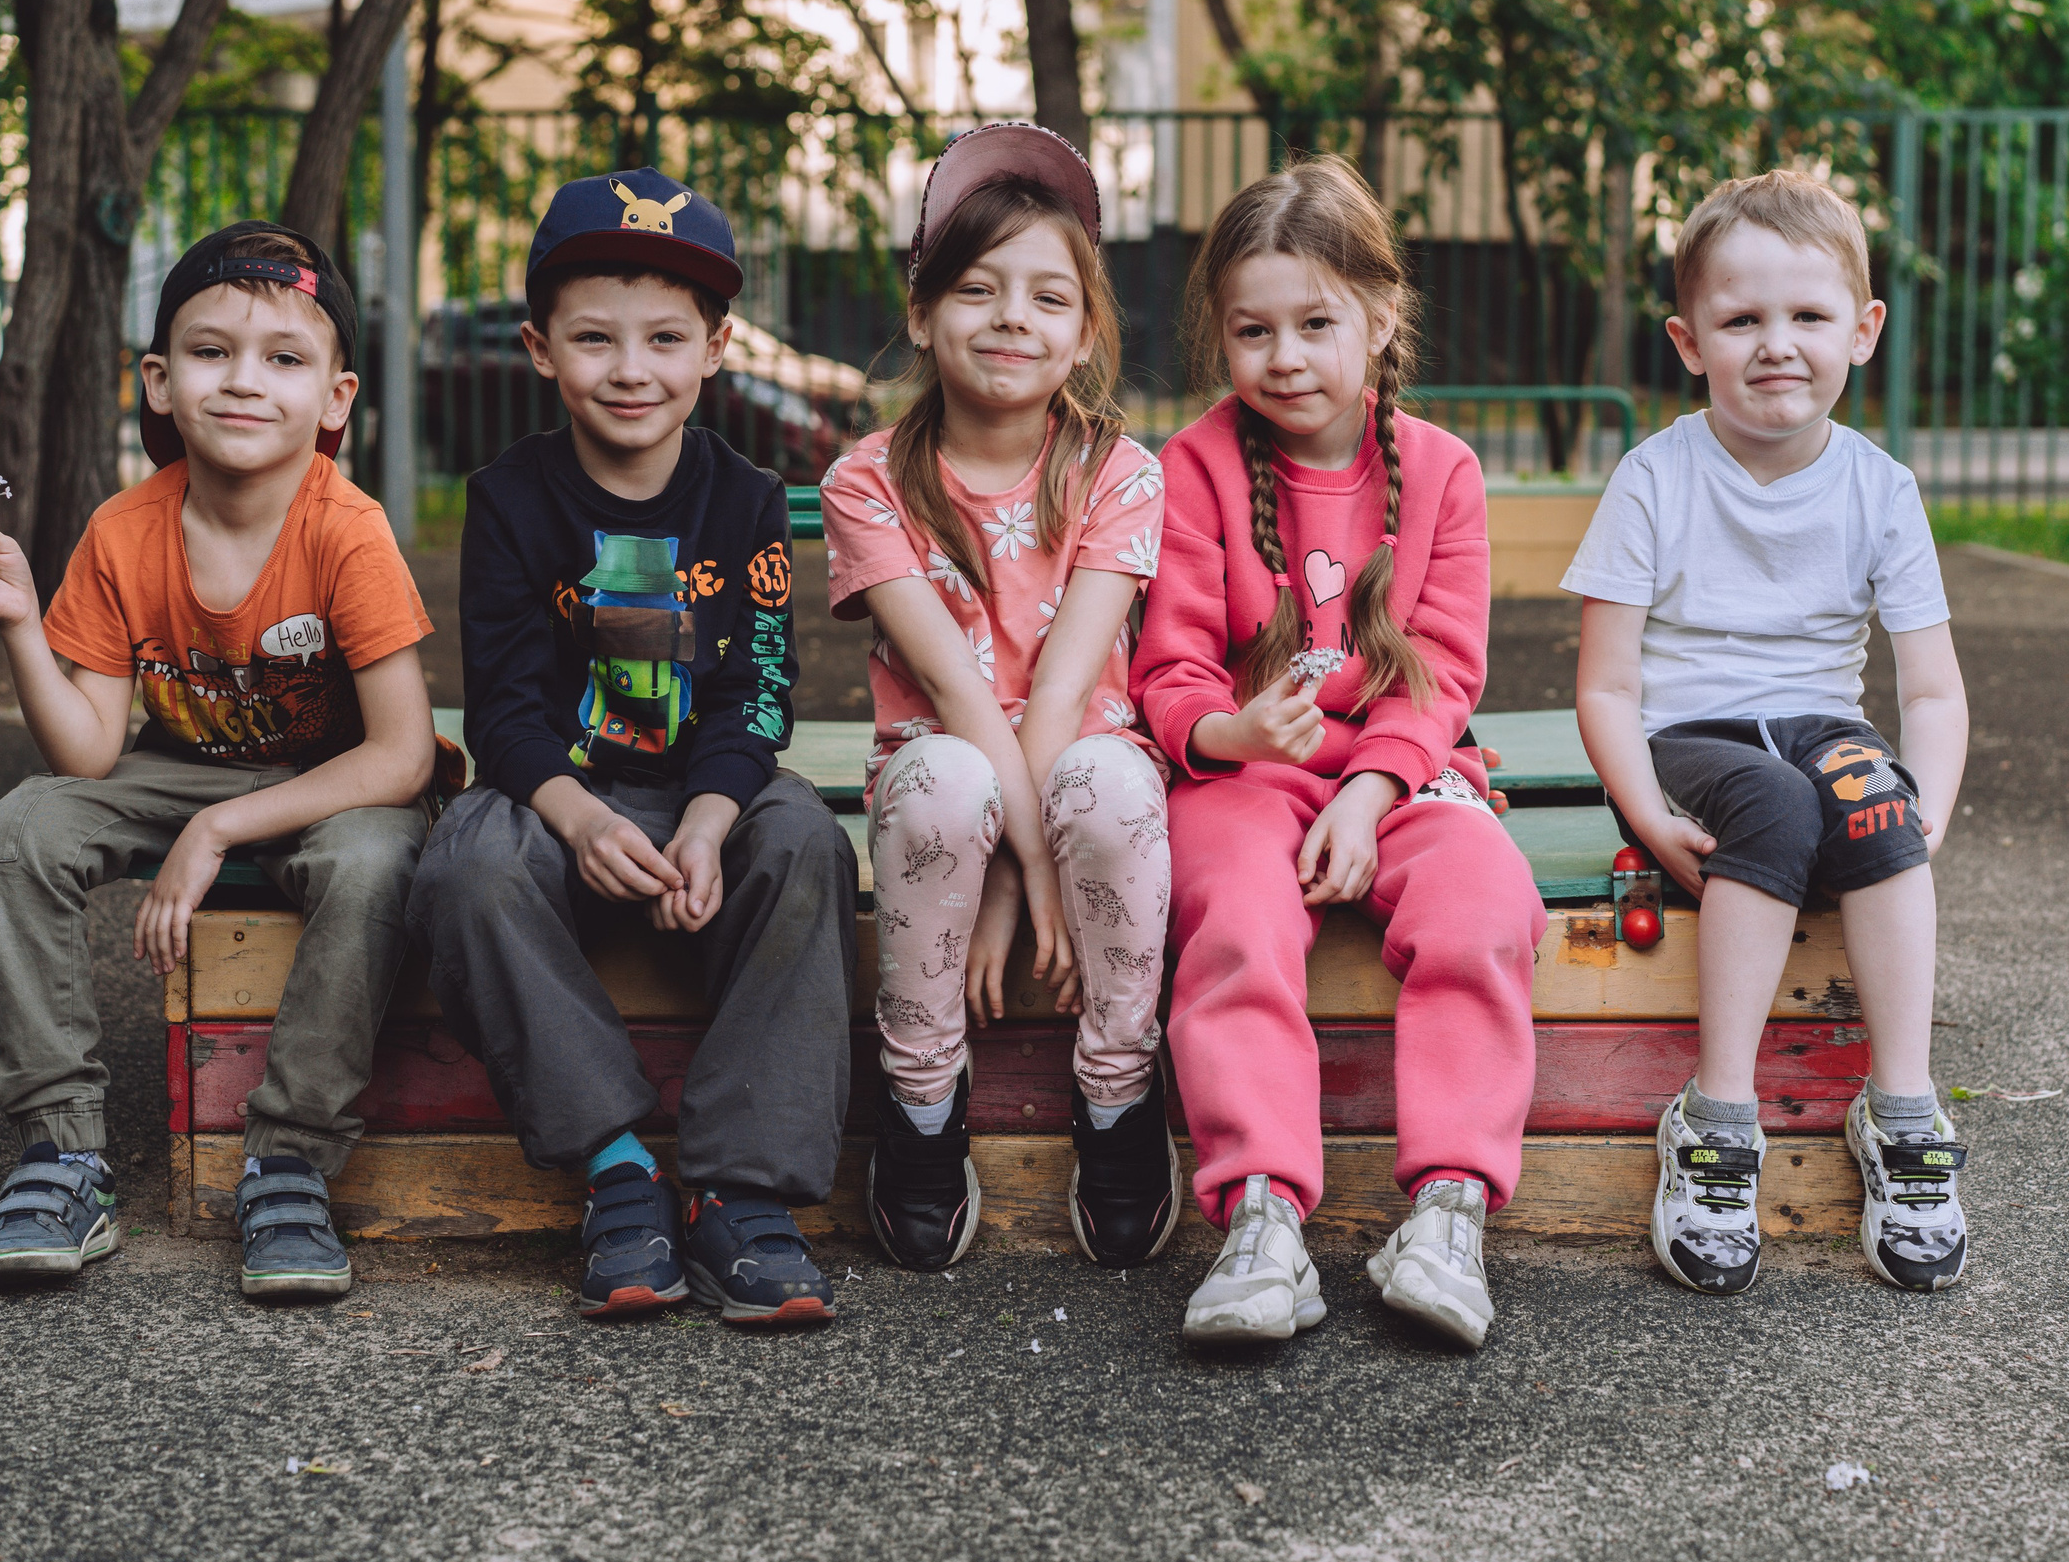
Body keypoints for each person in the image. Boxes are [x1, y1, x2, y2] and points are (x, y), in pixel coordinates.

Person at [0, 223, 439, 1299]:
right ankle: (63, 1154)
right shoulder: (123, 532)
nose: (245, 381)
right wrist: (23, 624)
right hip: (181, 766)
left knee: (374, 865)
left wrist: (216, 832)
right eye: (211, 353)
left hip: (336, 779)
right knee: (13, 838)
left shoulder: (346, 531)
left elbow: (402, 756)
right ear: (160, 383)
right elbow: (84, 750)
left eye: (284, 358)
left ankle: (289, 1164)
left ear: (336, 398)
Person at [406, 169, 857, 1326]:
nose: (631, 368)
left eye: (665, 338)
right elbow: (501, 710)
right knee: (461, 862)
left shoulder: (748, 496)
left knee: (804, 839)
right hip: (563, 803)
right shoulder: (508, 500)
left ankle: (737, 1190)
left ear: (714, 349)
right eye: (595, 338)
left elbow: (757, 691)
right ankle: (618, 1170)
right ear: (540, 350)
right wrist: (581, 817)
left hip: (699, 799)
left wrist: (710, 824)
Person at [1131, 156, 1545, 1350]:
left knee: (1483, 903)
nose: (1286, 357)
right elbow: (1170, 671)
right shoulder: (1195, 469)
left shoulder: (1443, 472)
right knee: (1238, 921)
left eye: (1316, 323)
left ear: (1378, 314)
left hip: (1404, 774)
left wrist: (1367, 794)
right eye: (1253, 330)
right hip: (1242, 775)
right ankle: (1262, 1220)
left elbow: (1441, 671)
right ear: (1221, 336)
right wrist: (1229, 732)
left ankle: (1448, 1212)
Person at [1565, 168, 1973, 1297]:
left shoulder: (1880, 489)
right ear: (1689, 342)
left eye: (1806, 316)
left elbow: (1930, 692)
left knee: (1870, 798)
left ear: (1863, 329)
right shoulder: (1654, 477)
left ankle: (1901, 1111)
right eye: (1740, 320)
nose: (1775, 344)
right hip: (1687, 739)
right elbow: (1603, 685)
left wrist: (1922, 810)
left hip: (1820, 724)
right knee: (1779, 805)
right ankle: (1719, 1119)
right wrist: (1644, 810)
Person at [821, 123, 1178, 1272]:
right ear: (922, 315)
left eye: (1047, 297)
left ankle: (1118, 1089)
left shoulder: (1118, 472)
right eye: (976, 289)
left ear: (1083, 335)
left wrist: (1034, 871)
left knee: (1107, 783)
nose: (1011, 317)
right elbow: (959, 694)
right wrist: (1019, 881)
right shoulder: (866, 480)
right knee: (945, 782)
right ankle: (922, 1096)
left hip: (1081, 758)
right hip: (948, 771)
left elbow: (1065, 687)